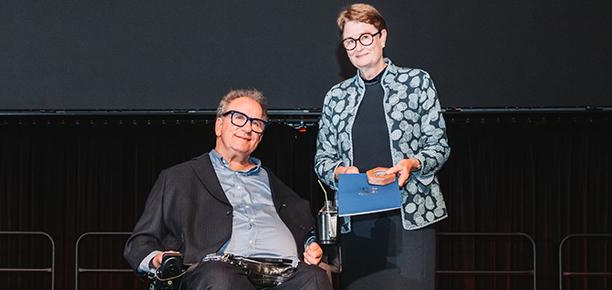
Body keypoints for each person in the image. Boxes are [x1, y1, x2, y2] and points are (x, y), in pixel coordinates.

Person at [125, 89, 332, 290]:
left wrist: (311, 244)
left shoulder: (275, 184)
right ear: (219, 125)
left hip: (285, 273)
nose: (248, 128)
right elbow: (140, 243)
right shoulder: (178, 177)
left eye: (256, 123)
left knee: (315, 277)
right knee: (221, 278)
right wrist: (157, 260)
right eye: (239, 118)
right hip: (220, 269)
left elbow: (305, 227)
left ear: (261, 135)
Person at [314, 3, 450, 290]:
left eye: (366, 37)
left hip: (410, 214)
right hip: (357, 220)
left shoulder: (417, 82)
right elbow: (322, 160)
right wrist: (340, 172)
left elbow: (438, 146)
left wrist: (412, 164)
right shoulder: (335, 98)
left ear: (382, 37)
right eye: (350, 41)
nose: (358, 46)